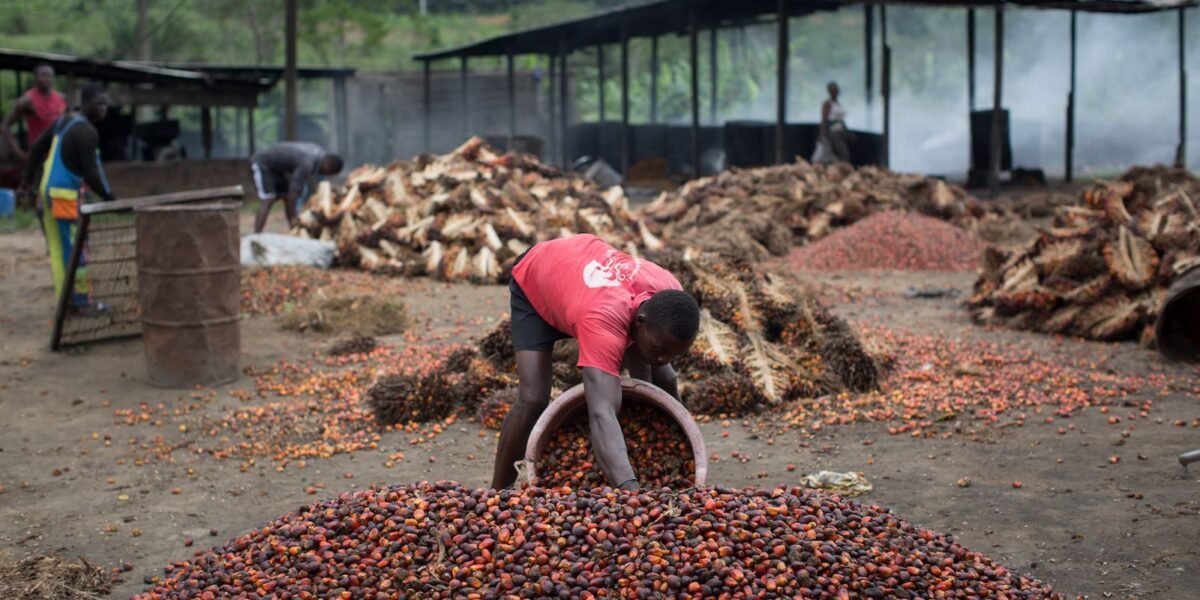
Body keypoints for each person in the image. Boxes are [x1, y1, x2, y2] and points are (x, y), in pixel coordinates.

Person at [491, 234, 701, 491]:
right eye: (660, 349)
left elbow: (664, 377)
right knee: (533, 398)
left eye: (672, 354)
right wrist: (633, 492)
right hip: (539, 275)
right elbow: (601, 414)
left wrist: (682, 451)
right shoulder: (603, 320)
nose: (663, 359)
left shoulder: (670, 293)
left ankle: (637, 451)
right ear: (640, 322)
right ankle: (496, 491)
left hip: (585, 276)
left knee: (663, 377)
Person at [20, 83, 116, 313]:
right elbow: (91, 173)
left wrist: (27, 182)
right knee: (77, 248)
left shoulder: (63, 121)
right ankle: (82, 301)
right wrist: (111, 199)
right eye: (98, 104)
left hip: (47, 192)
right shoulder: (87, 132)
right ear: (85, 103)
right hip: (63, 196)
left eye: (105, 105)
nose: (103, 109)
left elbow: (36, 149)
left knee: (58, 249)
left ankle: (65, 302)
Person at [249, 141, 343, 233]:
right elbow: (294, 189)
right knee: (269, 198)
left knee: (286, 196)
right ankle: (257, 233)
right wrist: (294, 216)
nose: (325, 174)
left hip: (278, 169)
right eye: (329, 173)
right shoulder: (308, 162)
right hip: (263, 163)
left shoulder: (319, 154)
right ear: (328, 166)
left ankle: (293, 229)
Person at [2, 63, 67, 164]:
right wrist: (17, 152)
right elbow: (4, 126)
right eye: (43, 75)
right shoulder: (27, 101)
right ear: (35, 77)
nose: (47, 78)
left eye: (50, 75)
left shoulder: (61, 98)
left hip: (58, 154)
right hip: (38, 156)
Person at [812, 81, 852, 164]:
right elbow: (824, 120)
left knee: (839, 154)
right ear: (829, 91)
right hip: (833, 132)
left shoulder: (838, 104)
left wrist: (848, 132)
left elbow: (841, 120)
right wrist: (822, 135)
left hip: (841, 132)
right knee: (843, 153)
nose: (835, 92)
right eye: (833, 90)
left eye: (836, 90)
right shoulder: (827, 104)